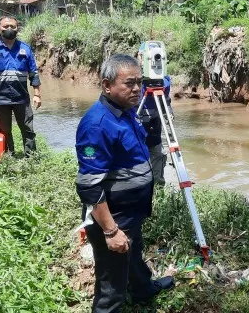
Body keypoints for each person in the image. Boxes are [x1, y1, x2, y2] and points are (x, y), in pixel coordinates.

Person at [75, 54, 174, 312]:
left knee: (134, 252)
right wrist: (110, 231)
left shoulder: (127, 111)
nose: (136, 89)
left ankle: (142, 289)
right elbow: (89, 186)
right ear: (107, 86)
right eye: (129, 83)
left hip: (131, 212)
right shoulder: (96, 125)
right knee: (111, 288)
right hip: (114, 216)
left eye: (139, 83)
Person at [0, 16, 41, 157]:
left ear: (17, 28)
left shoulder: (25, 49)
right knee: (4, 130)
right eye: (5, 26)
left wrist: (37, 94)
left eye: (12, 26)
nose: (9, 29)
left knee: (27, 129)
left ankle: (31, 158)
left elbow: (34, 73)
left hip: (22, 97)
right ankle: (9, 157)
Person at [136, 49, 173, 186]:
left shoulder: (164, 82)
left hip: (154, 136)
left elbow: (166, 96)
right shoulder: (134, 83)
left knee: (157, 164)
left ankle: (158, 194)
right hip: (137, 138)